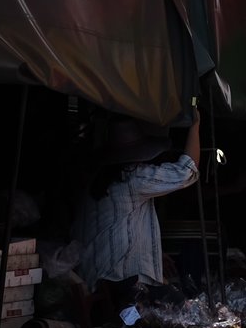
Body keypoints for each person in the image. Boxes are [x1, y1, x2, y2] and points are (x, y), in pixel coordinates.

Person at [70, 105, 202, 302]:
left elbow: (123, 228)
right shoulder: (132, 178)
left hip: (98, 278)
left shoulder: (98, 181)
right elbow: (186, 171)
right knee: (184, 308)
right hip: (121, 281)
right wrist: (195, 126)